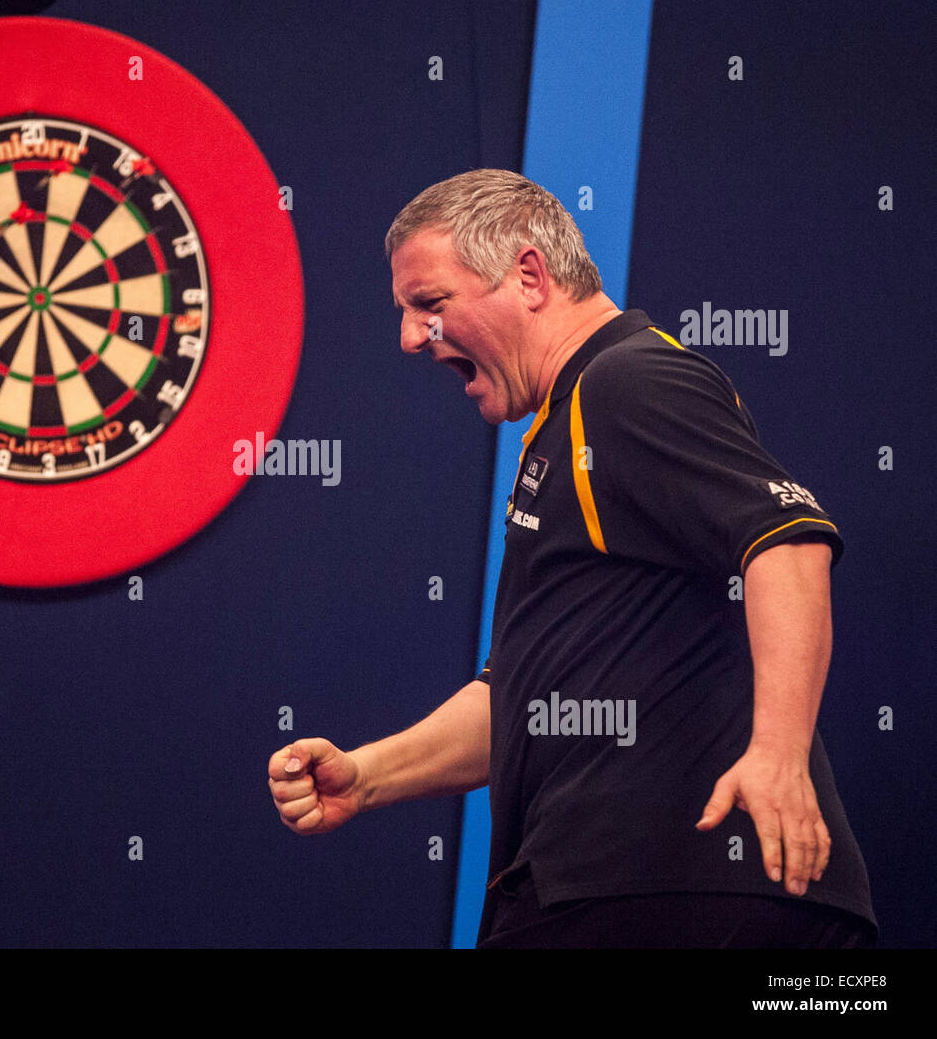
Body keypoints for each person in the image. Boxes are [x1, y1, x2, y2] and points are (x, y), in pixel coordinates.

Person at [267, 169, 877, 948]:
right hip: (632, 894)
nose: (410, 337)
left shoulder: (629, 381)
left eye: (430, 304)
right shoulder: (569, 418)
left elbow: (786, 540)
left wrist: (779, 756)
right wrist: (369, 774)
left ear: (528, 275)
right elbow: (523, 696)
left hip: (671, 893)